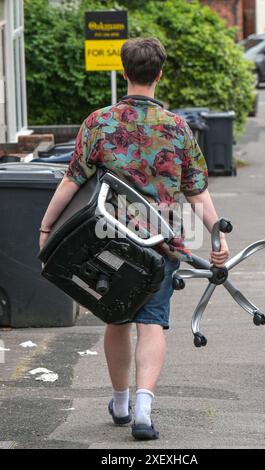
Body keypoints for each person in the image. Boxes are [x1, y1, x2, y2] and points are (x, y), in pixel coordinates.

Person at [39, 37, 229, 441]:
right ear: (159, 75)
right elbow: (197, 192)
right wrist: (217, 238)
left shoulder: (98, 122)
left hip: (107, 240)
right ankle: (144, 408)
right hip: (161, 244)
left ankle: (121, 401)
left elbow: (72, 181)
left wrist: (45, 229)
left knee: (117, 318)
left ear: (125, 73)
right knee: (153, 323)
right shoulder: (178, 128)